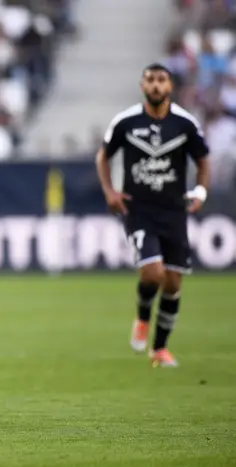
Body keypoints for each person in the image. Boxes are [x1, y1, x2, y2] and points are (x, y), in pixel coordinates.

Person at [96, 63, 210, 368]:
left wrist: (200, 192)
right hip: (139, 209)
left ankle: (159, 349)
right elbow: (103, 156)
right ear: (142, 85)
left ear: (170, 86)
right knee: (153, 274)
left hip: (174, 211)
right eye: (150, 80)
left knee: (172, 284)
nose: (156, 85)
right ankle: (143, 316)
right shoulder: (126, 122)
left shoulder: (185, 124)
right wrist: (110, 191)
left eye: (161, 80)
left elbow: (202, 159)